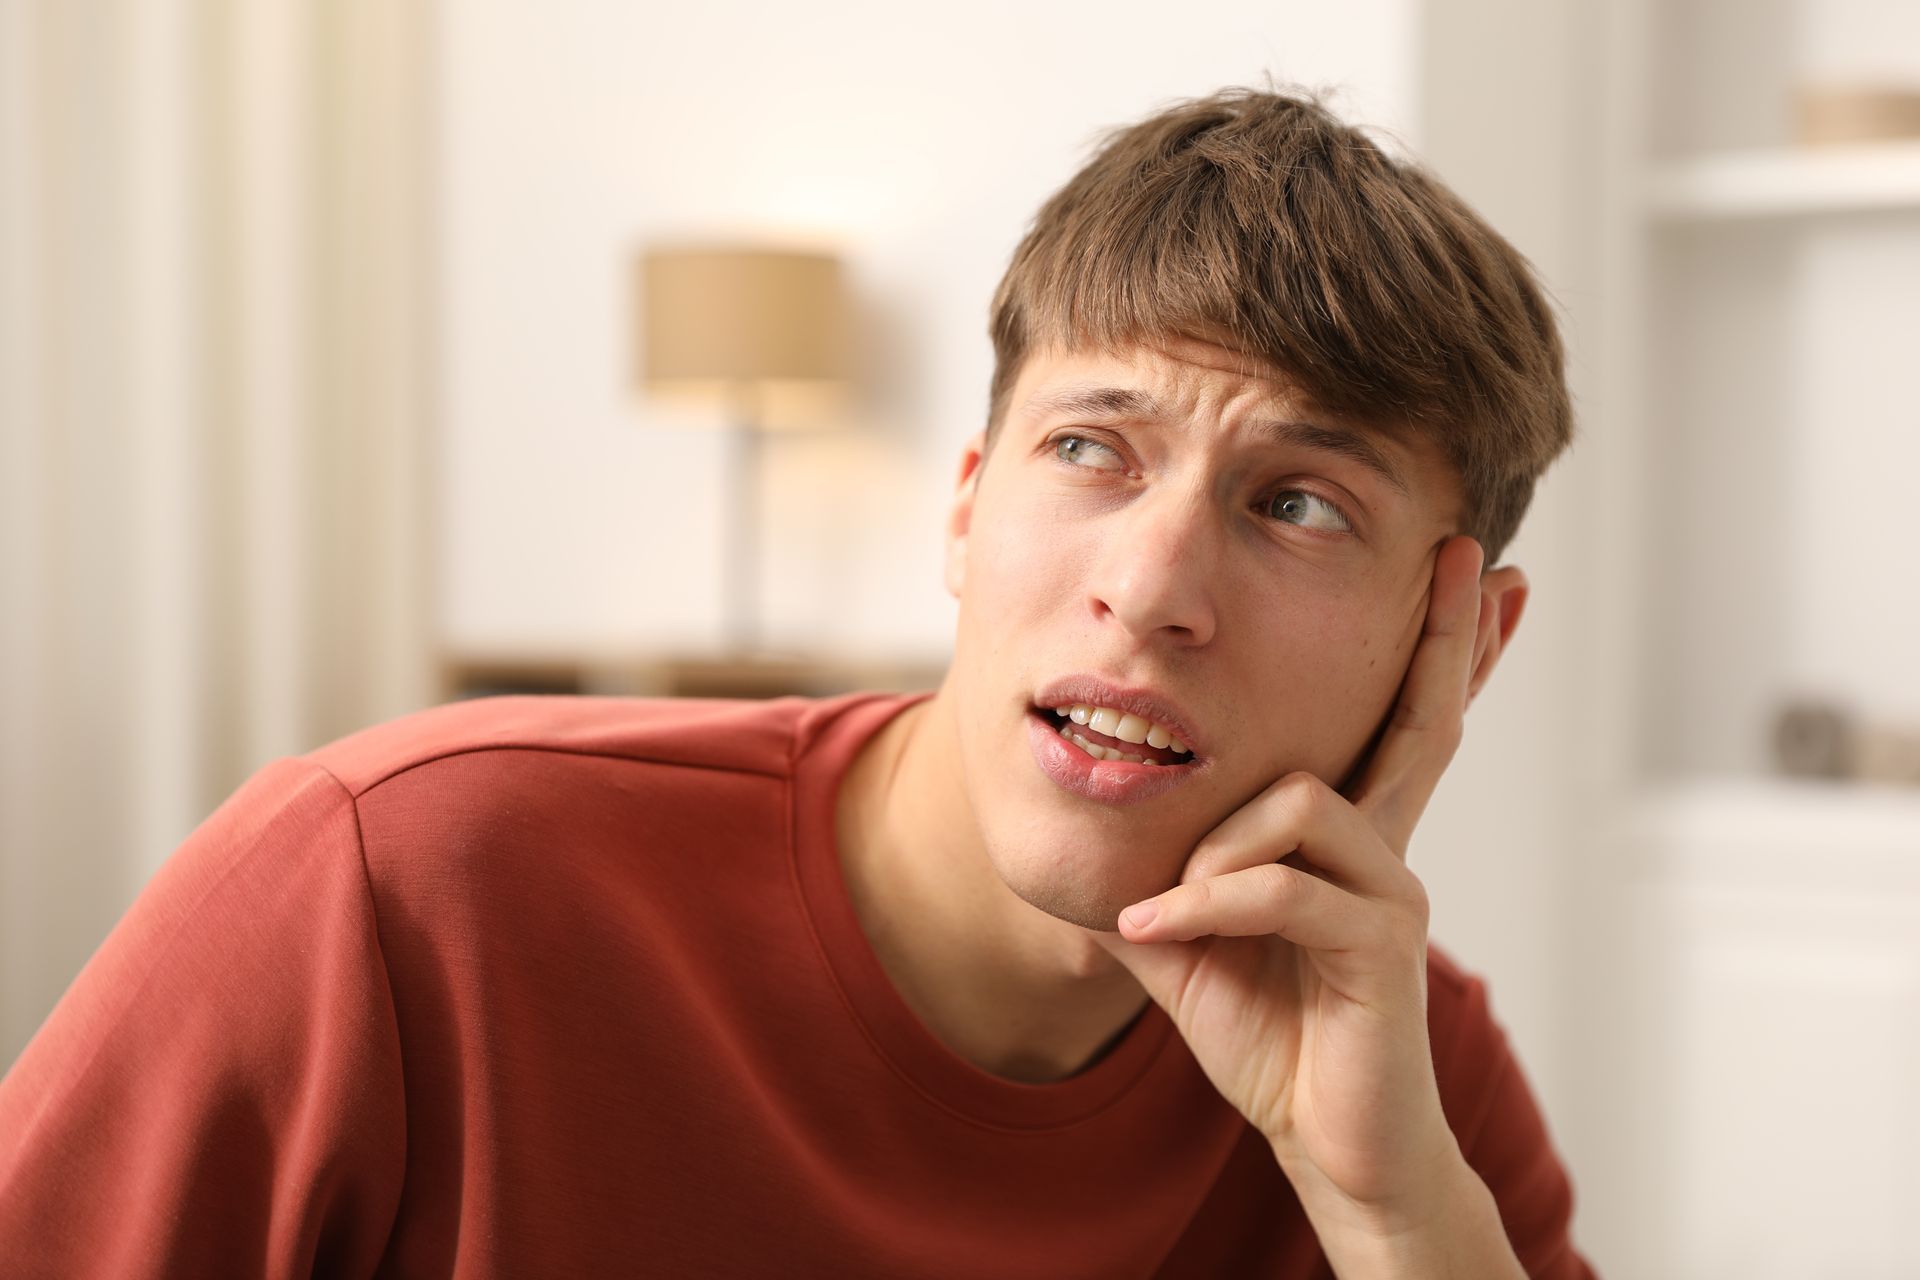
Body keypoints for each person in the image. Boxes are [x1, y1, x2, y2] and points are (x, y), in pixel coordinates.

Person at [0, 85, 1595, 1277]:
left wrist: (1397, 1221)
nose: (1152, 589)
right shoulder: (391, 889)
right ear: (968, 509)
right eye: (1092, 451)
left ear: (1462, 642)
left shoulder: (1398, 1069)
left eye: (1299, 505)